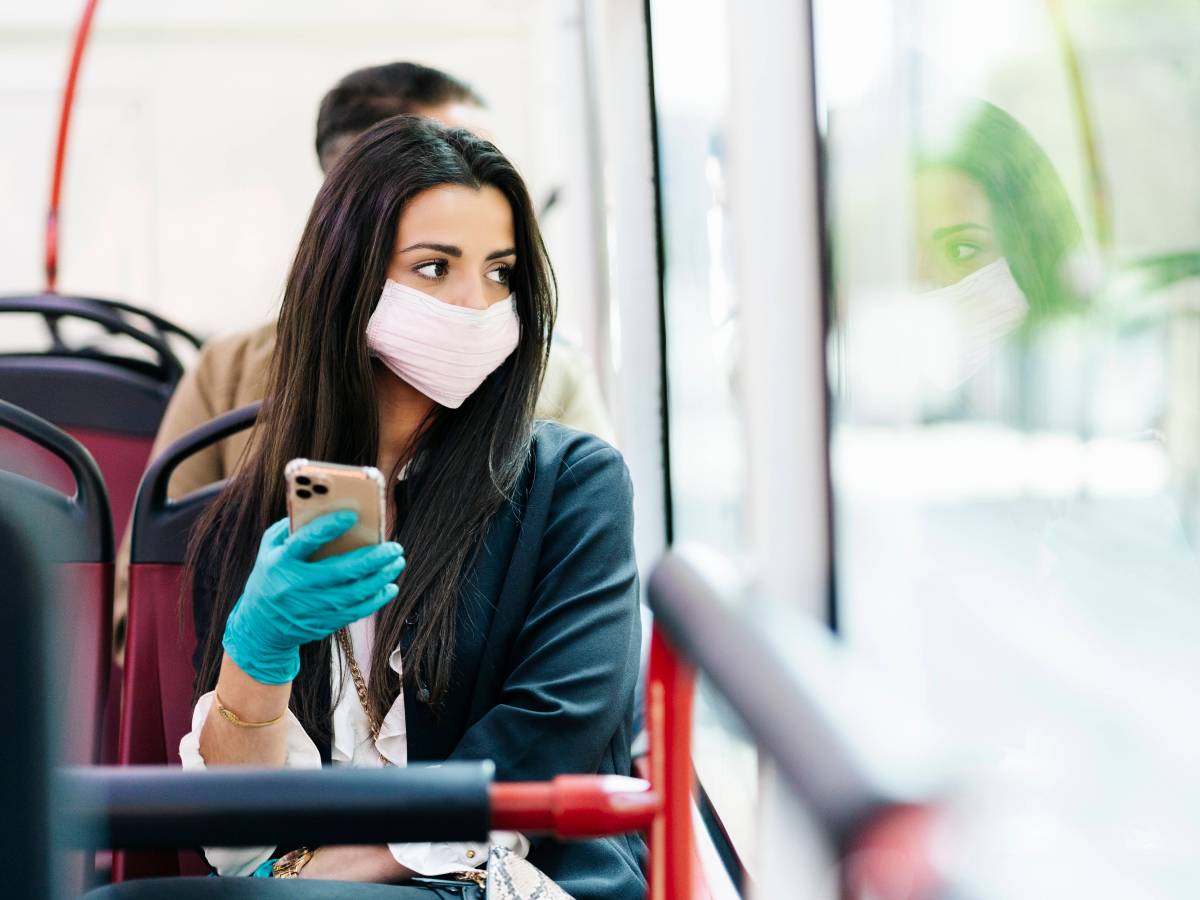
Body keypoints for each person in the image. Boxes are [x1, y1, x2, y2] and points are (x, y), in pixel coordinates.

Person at [176, 116, 644, 895]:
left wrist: (327, 870)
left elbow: (546, 740)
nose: (478, 303)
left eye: (501, 272)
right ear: (349, 280)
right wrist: (254, 655)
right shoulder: (248, 518)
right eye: (436, 269)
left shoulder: (573, 486)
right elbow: (236, 832)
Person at [113, 62, 614, 653]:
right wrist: (252, 649)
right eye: (435, 166)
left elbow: (593, 608)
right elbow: (144, 619)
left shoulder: (551, 385)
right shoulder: (231, 373)